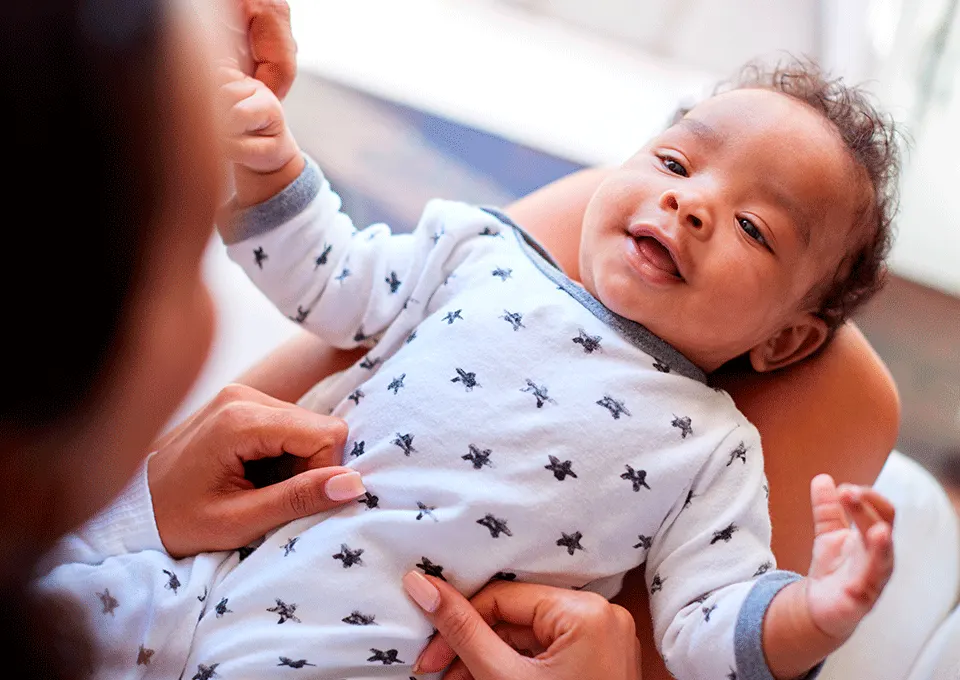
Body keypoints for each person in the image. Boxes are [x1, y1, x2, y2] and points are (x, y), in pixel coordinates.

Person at [39, 34, 900, 677]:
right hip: (193, 578)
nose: (692, 203)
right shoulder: (477, 251)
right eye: (674, 160)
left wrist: (813, 614)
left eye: (754, 227)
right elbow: (334, 280)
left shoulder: (714, 449)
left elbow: (708, 621)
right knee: (54, 605)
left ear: (786, 339)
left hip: (348, 654)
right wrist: (272, 173)